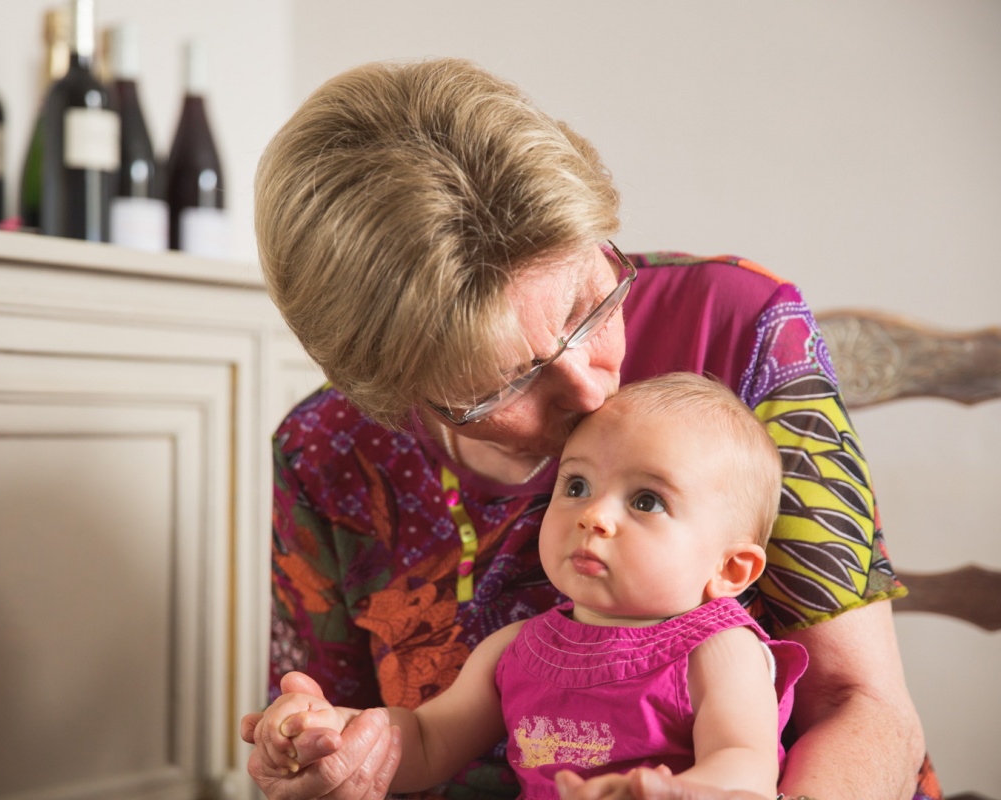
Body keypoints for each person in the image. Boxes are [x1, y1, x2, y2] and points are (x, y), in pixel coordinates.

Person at [241, 57, 932, 800]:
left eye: (584, 307)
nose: (592, 382)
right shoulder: (324, 450)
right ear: (397, 392)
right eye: (507, 379)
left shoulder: (740, 326)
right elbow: (381, 739)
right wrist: (327, 754)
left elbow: (863, 707)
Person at [251, 374, 810, 799]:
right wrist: (338, 730)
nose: (593, 516)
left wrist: (672, 792)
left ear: (730, 571)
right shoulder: (516, 649)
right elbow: (424, 739)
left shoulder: (719, 649)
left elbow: (747, 770)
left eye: (646, 501)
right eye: (577, 484)